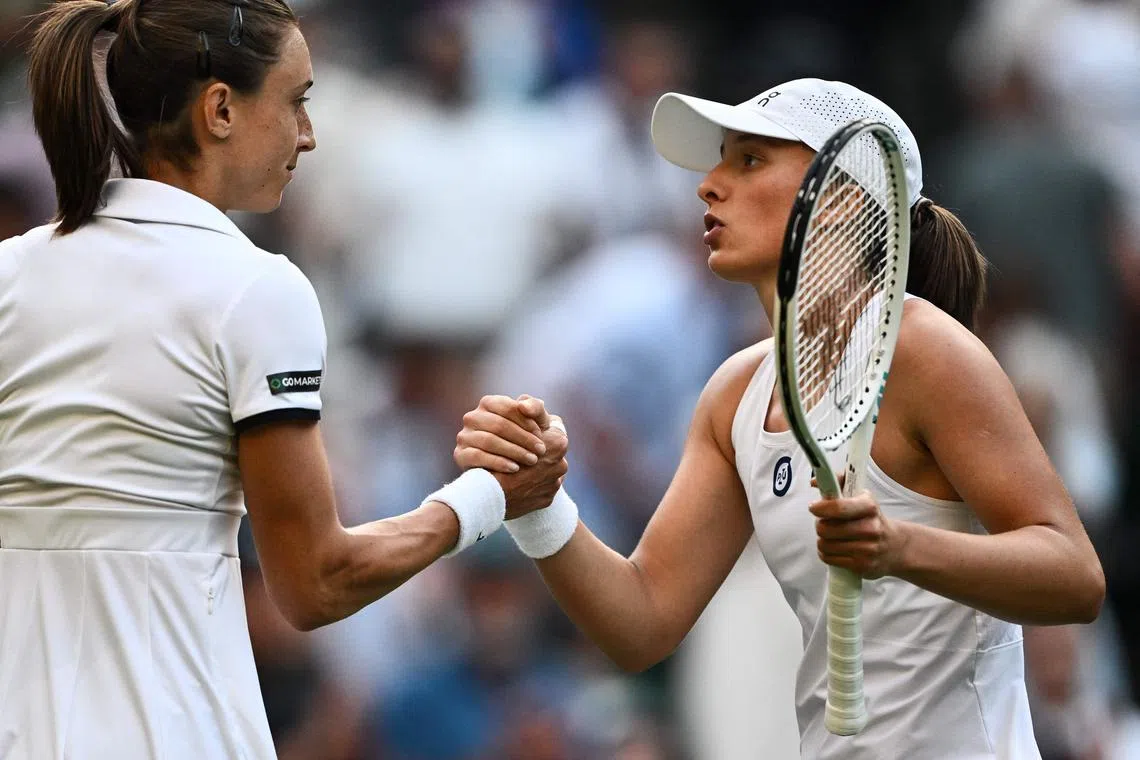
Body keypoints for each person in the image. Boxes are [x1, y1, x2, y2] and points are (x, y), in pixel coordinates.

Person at [454, 78, 1107, 759]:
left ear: (842, 201)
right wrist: (539, 507)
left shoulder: (926, 349)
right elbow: (640, 624)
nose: (707, 185)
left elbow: (1074, 575)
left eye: (749, 161)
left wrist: (903, 547)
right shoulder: (734, 394)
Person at [0, 2, 566, 759]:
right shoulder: (257, 288)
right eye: (297, 99)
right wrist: (491, 494)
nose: (309, 134)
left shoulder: (9, 275)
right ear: (221, 108)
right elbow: (315, 582)